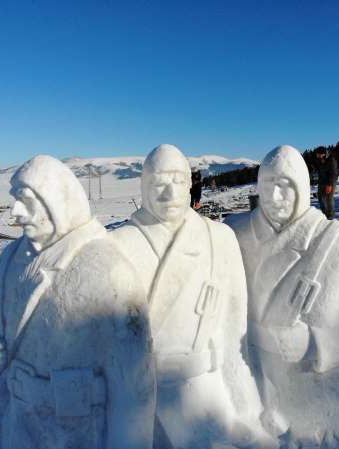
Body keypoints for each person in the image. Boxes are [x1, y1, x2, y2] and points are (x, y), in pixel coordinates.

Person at [0, 155, 155, 449]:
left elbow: (134, 385)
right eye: (15, 200)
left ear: (56, 203)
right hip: (18, 424)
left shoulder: (106, 269)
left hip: (78, 433)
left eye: (26, 201)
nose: (14, 213)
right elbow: (10, 329)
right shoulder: (8, 262)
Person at [226, 145, 339, 442]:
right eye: (268, 186)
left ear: (304, 189)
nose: (276, 198)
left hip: (313, 410)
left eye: (286, 187)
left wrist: (314, 344)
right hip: (246, 390)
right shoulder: (232, 234)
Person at [112, 144, 276, 449]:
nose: (169, 193)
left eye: (177, 180)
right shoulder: (118, 245)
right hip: (141, 402)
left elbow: (233, 336)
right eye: (159, 182)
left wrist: (248, 410)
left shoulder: (219, 238)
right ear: (144, 187)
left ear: (190, 184)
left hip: (206, 393)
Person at [313, 147, 338, 219]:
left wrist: (329, 185)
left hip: (330, 181)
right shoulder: (319, 160)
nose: (317, 155)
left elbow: (333, 173)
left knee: (329, 198)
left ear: (323, 154)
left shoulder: (331, 160)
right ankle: (324, 213)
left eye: (318, 154)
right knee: (320, 197)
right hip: (322, 180)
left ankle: (330, 216)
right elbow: (318, 168)